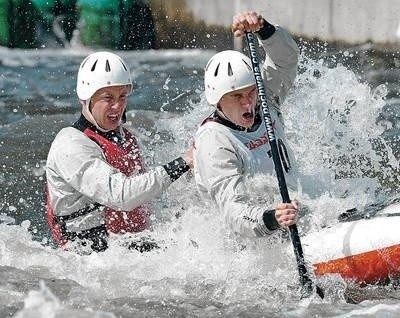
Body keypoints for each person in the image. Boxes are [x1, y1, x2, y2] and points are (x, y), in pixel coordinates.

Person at [45, 51, 193, 253]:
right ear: (85, 97)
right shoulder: (70, 145)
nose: (117, 106)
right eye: (108, 97)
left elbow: (145, 196)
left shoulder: (125, 137)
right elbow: (122, 196)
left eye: (122, 96)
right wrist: (184, 162)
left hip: (128, 252)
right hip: (89, 261)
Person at [193, 11, 299, 238]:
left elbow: (287, 60)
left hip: (293, 214)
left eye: (251, 92)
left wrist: (265, 29)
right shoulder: (214, 142)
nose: (248, 102)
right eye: (236, 96)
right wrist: (272, 218)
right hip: (249, 240)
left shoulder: (265, 98)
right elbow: (232, 211)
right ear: (218, 100)